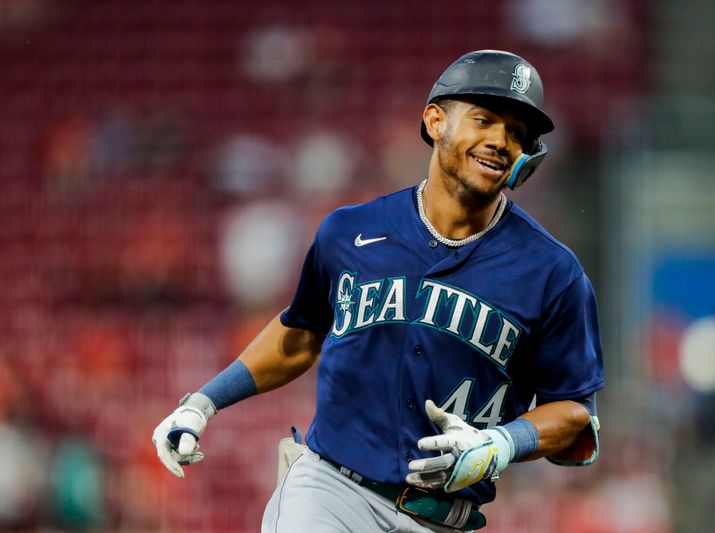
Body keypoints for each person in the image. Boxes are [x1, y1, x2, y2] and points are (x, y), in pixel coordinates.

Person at [153, 49, 605, 533]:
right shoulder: (351, 231)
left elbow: (576, 413)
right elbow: (301, 333)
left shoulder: (553, 272)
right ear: (435, 121)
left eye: (517, 134)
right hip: (330, 494)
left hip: (444, 519)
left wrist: (501, 444)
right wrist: (203, 402)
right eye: (484, 120)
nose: (499, 140)